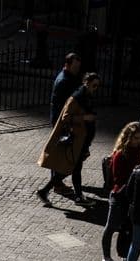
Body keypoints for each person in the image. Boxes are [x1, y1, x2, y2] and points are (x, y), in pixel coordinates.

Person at [37, 72, 101, 208]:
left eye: (97, 86)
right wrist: (85, 118)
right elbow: (66, 118)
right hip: (76, 140)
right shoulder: (76, 98)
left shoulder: (87, 97)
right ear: (87, 83)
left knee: (74, 168)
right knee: (73, 168)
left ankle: (46, 191)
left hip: (82, 140)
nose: (95, 89)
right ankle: (75, 196)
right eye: (94, 85)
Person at [100, 122, 140, 261]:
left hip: (133, 196)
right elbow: (118, 179)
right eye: (135, 138)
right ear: (128, 138)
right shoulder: (120, 154)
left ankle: (127, 256)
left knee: (129, 228)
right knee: (111, 227)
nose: (138, 141)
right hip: (119, 195)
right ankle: (106, 258)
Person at [47, 52, 82, 197]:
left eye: (78, 67)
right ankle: (57, 183)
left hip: (62, 120)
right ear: (67, 65)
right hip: (62, 121)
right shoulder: (64, 81)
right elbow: (65, 105)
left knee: (61, 150)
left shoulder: (69, 77)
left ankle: (57, 181)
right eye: (75, 66)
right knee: (60, 152)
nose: (77, 69)